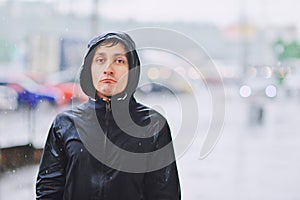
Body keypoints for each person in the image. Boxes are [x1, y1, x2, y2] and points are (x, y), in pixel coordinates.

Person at [36, 31, 181, 200]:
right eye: (100, 60)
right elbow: (48, 190)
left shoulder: (153, 124)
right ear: (89, 69)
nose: (108, 69)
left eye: (119, 61)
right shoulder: (65, 124)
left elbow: (165, 194)